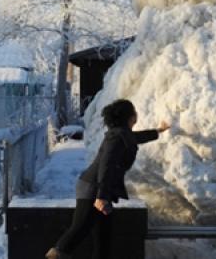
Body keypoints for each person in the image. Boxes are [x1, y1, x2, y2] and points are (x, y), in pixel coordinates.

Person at [46, 99, 169, 259]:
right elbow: (107, 164)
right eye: (134, 111)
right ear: (130, 116)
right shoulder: (117, 137)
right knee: (79, 229)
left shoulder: (122, 134)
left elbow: (136, 137)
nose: (137, 114)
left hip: (100, 189)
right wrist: (102, 196)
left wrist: (158, 131)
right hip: (93, 188)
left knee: (103, 236)